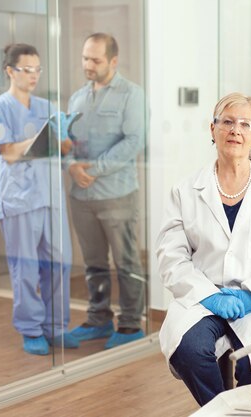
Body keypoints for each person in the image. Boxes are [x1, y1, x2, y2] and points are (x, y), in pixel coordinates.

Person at [155, 92, 251, 406]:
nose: (235, 130)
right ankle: (221, 410)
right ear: (212, 130)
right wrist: (209, 294)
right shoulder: (186, 190)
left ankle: (233, 411)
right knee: (189, 350)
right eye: (226, 122)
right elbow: (171, 256)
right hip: (203, 299)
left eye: (245, 124)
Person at [0, 43, 78, 355]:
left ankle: (56, 327)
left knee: (59, 264)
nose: (34, 75)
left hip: (50, 196)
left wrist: (66, 148)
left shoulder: (46, 107)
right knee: (25, 268)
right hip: (19, 200)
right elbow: (7, 152)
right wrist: (39, 140)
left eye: (38, 69)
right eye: (27, 69)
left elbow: (58, 151)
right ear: (10, 71)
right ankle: (30, 329)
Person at [66, 33, 146, 349]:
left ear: (113, 61)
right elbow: (67, 139)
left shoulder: (131, 95)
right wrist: (72, 164)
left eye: (95, 60)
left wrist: (93, 170)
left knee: (126, 262)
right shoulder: (77, 98)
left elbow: (133, 142)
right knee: (94, 262)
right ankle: (98, 319)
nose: (88, 65)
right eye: (85, 58)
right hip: (81, 197)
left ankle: (129, 326)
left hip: (116, 193)